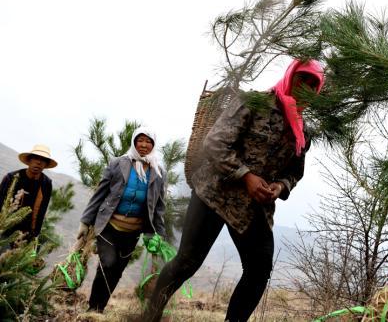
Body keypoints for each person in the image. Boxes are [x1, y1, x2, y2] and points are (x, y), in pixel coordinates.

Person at [143, 59, 325, 322]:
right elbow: (215, 143)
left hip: (253, 208)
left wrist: (280, 186)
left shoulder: (301, 131)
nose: (305, 87)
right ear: (290, 77)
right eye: (302, 79)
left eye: (312, 84)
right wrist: (246, 175)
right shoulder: (254, 103)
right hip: (214, 195)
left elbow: (294, 172)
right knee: (187, 262)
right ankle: (149, 315)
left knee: (259, 270)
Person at [78, 127, 166, 313]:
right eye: (140, 140)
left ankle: (100, 308)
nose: (144, 145)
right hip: (109, 227)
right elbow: (99, 194)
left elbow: (158, 207)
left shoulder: (158, 172)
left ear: (153, 145)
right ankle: (93, 308)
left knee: (117, 271)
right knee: (108, 264)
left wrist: (160, 234)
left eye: (148, 141)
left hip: (132, 232)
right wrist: (85, 222)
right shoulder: (118, 163)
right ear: (134, 142)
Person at [0, 144, 57, 241]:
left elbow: (42, 210)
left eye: (42, 160)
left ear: (46, 164)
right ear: (29, 160)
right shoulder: (12, 177)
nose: (38, 162)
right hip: (4, 229)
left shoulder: (46, 184)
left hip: (26, 235)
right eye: (36, 158)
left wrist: (35, 235)